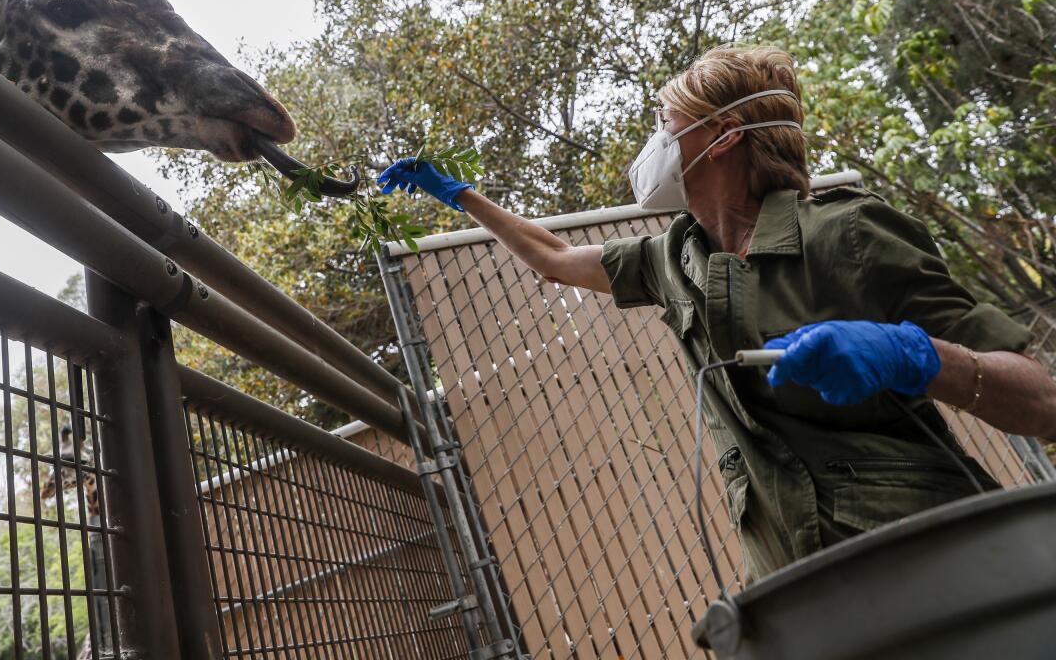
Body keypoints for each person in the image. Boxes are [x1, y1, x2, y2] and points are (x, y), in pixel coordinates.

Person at [378, 45, 1056, 583]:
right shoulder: (672, 258)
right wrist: (461, 195)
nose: (654, 142)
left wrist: (917, 355)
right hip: (796, 579)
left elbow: (1043, 401)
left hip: (937, 557)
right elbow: (554, 258)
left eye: (665, 124)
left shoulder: (849, 235)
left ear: (725, 135)